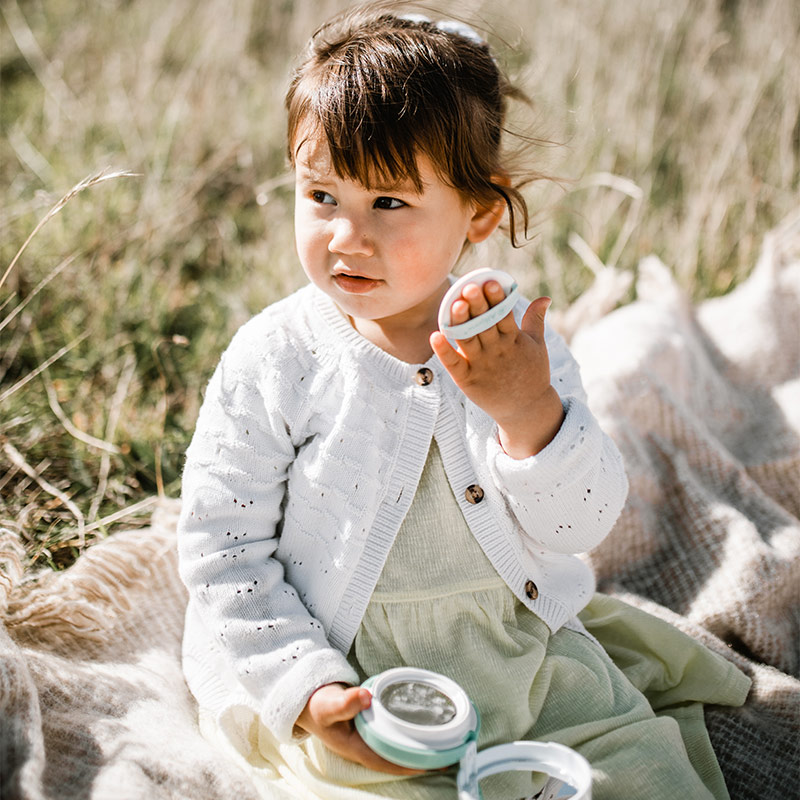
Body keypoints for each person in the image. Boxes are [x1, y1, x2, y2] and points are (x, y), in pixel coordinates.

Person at [177, 5, 749, 799]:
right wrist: (307, 689)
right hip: (354, 672)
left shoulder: (514, 349)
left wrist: (528, 414)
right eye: (320, 195)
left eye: (388, 204)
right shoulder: (278, 360)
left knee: (638, 776)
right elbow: (221, 548)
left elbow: (581, 524)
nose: (345, 235)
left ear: (479, 212)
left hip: (513, 656)